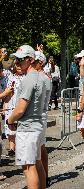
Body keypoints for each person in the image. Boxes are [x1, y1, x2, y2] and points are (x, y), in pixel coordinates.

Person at [7, 45, 46, 189]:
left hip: (27, 128)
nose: (16, 63)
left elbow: (20, 109)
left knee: (28, 168)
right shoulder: (40, 77)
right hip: (35, 125)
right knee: (37, 164)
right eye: (16, 60)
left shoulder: (28, 79)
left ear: (30, 60)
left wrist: (9, 120)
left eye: (20, 60)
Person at [34, 50, 52, 187]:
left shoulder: (41, 78)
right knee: (41, 147)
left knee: (37, 151)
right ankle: (44, 177)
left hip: (39, 116)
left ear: (40, 63)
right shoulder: (41, 76)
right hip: (40, 115)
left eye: (33, 61)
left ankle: (41, 179)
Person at [4, 60, 24, 158]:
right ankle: (12, 148)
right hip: (12, 104)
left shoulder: (26, 77)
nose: (19, 67)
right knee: (10, 128)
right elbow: (7, 93)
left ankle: (20, 148)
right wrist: (5, 106)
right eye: (17, 65)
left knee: (19, 128)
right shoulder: (11, 78)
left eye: (21, 65)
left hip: (22, 105)